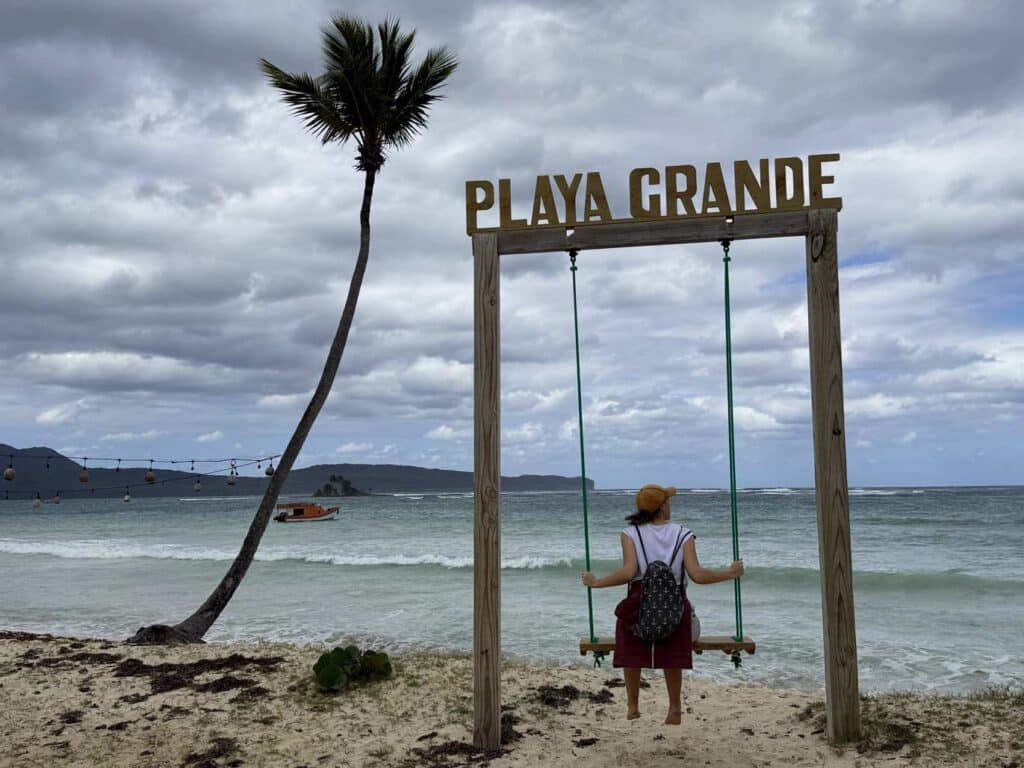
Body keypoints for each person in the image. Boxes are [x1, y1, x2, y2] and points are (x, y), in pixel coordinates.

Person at [581, 483, 744, 724]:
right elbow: (697, 575)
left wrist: (596, 582)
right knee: (674, 636)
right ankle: (675, 707)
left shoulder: (630, 534)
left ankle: (633, 704)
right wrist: (730, 573)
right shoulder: (683, 534)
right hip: (675, 611)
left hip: (640, 611)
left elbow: (628, 573)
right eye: (668, 501)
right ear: (663, 507)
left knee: (629, 632)